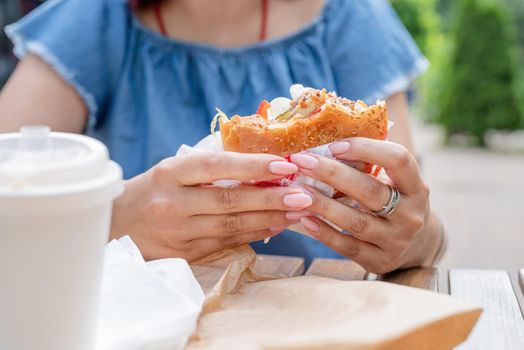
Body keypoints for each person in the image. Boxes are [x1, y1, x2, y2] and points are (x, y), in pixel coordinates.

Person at [0, 0, 445, 272]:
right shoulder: (94, 17)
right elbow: (10, 201)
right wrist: (118, 218)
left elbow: (419, 225)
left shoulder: (351, 17)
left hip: (332, 319)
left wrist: (414, 240)